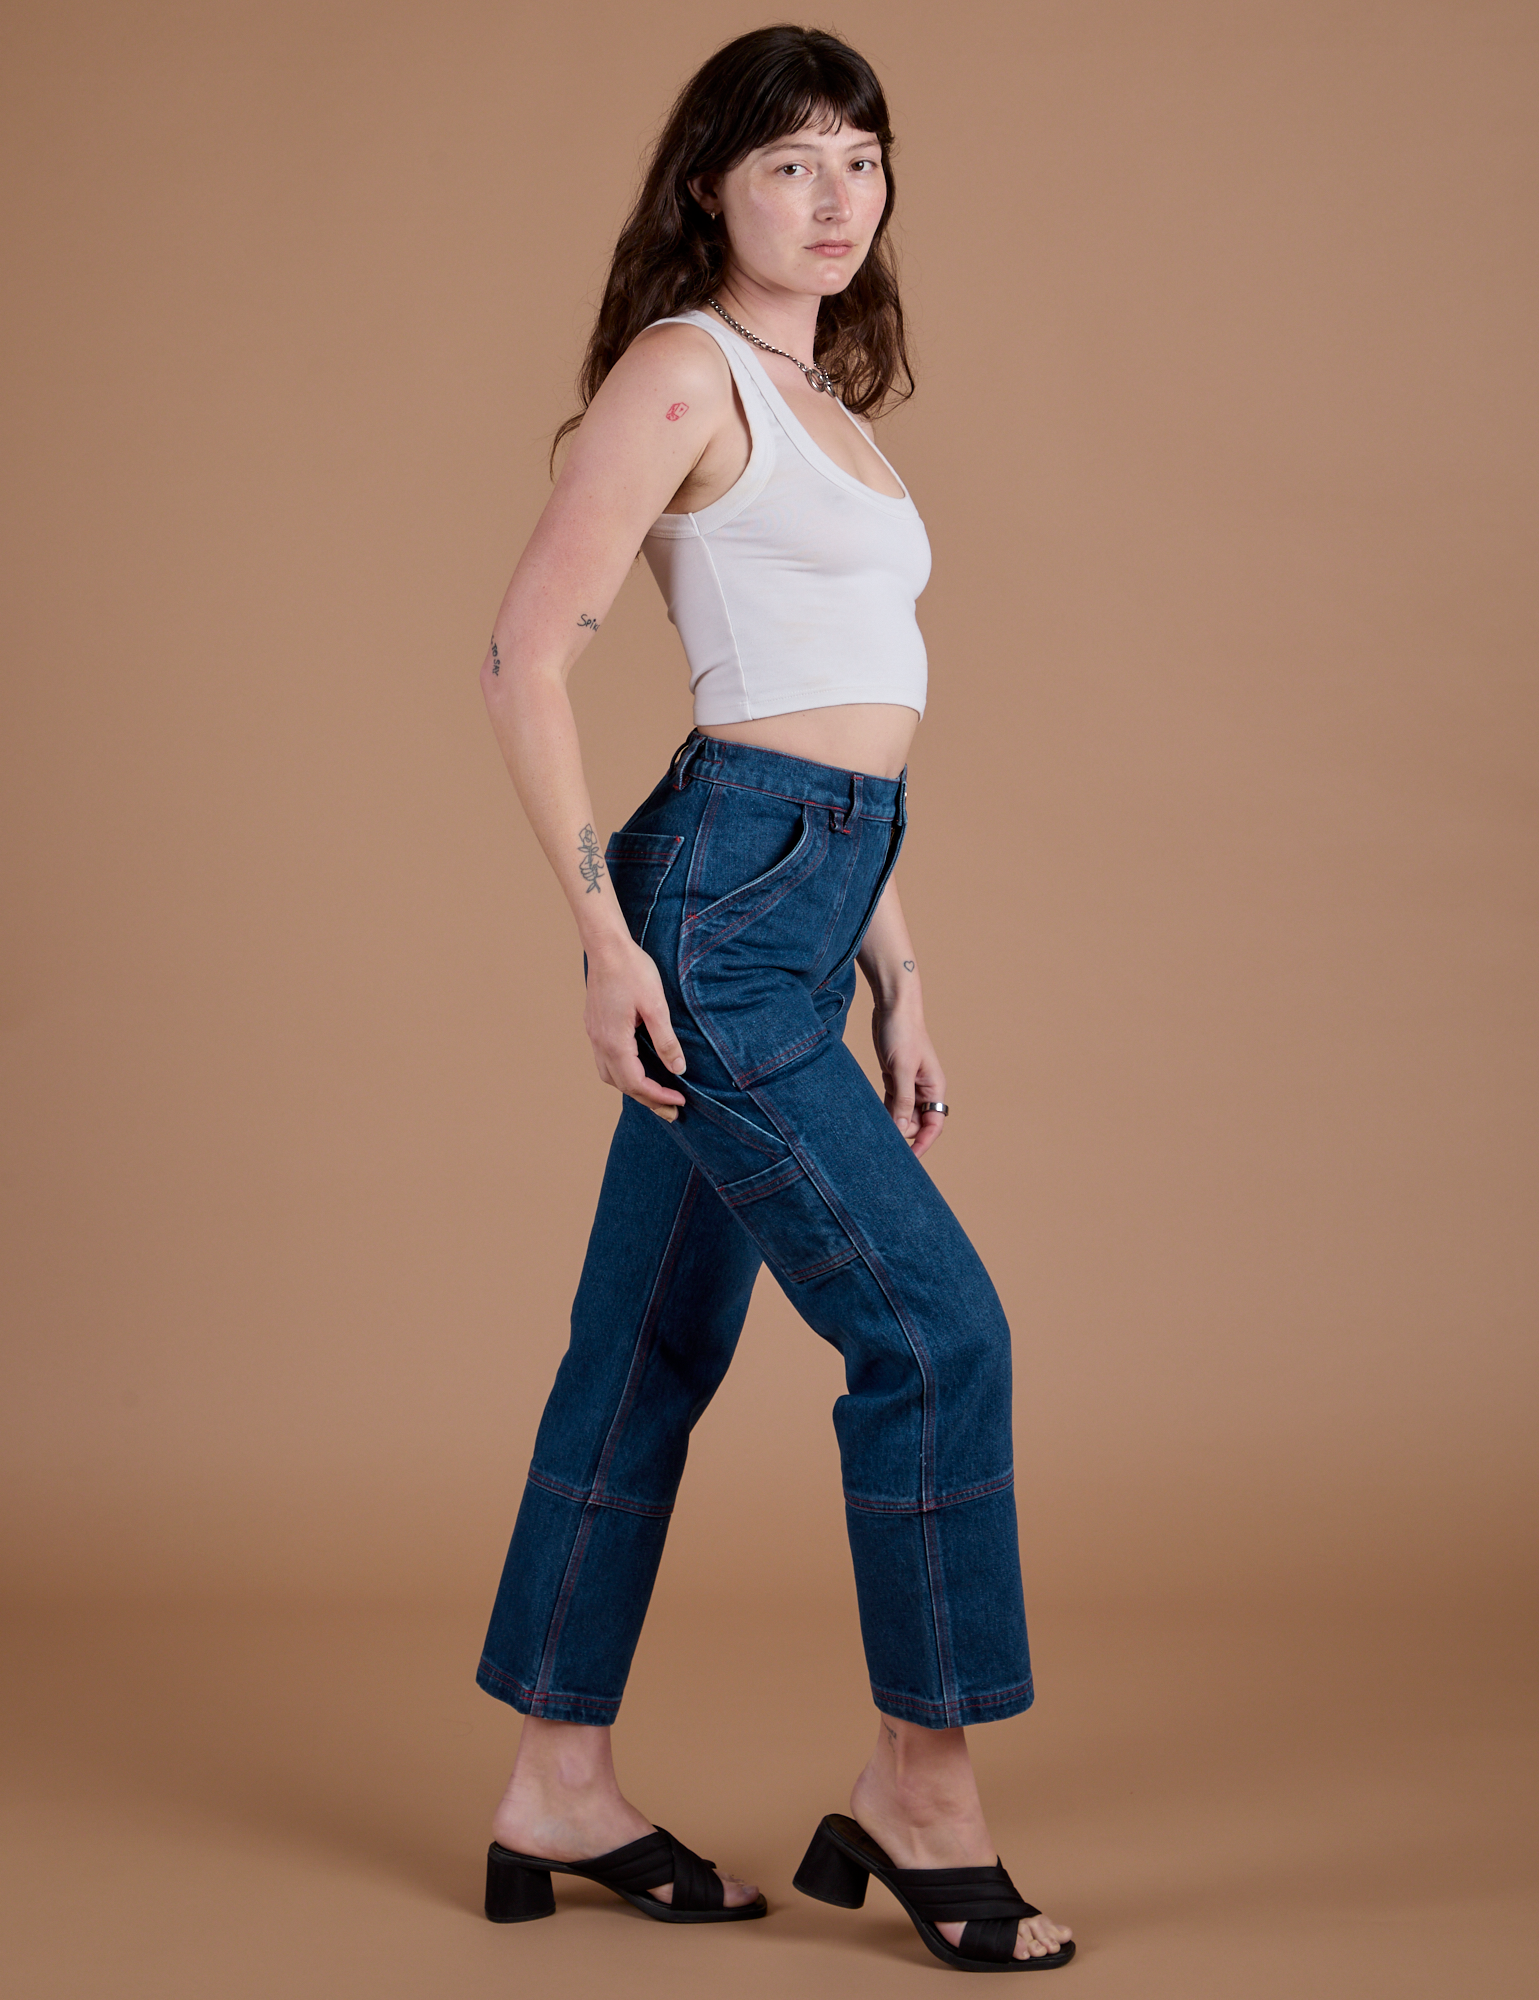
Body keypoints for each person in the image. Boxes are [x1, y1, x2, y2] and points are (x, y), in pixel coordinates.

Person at [474, 25, 1075, 1973]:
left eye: (861, 160)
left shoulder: (834, 408)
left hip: (808, 893)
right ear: (710, 185)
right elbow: (523, 657)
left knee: (643, 1344)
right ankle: (924, 1794)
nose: (834, 197)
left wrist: (899, 969)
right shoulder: (684, 372)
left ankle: (556, 1777)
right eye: (791, 162)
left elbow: (845, 712)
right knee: (937, 1335)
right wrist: (603, 937)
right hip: (718, 913)